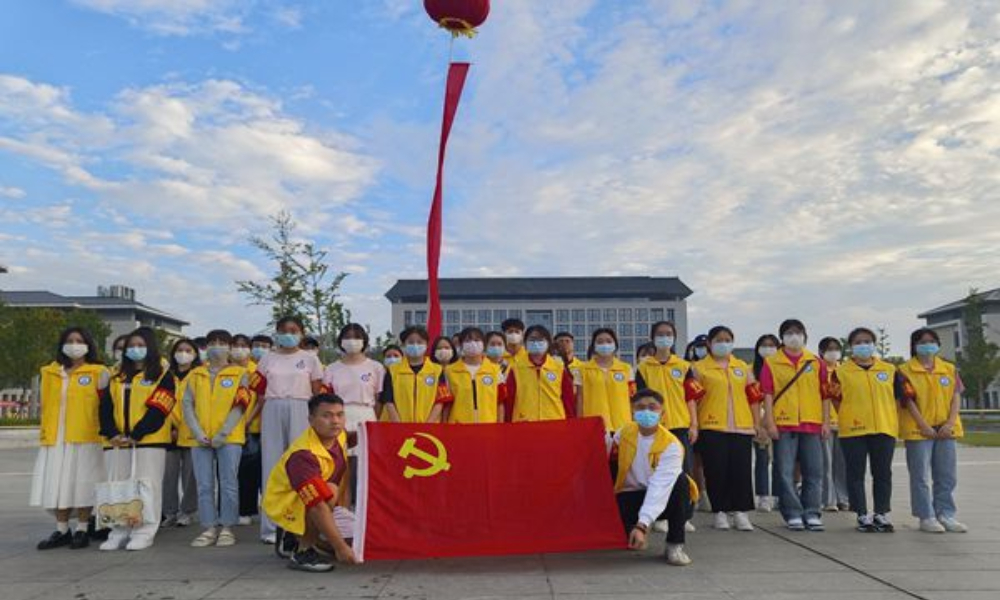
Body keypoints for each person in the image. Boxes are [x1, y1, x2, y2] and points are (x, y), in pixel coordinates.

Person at [31, 327, 110, 550]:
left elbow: (106, 406)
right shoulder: (50, 372)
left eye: (79, 340)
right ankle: (62, 530)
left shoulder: (99, 372)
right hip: (56, 437)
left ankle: (83, 529)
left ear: (88, 345)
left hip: (86, 437)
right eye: (70, 340)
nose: (74, 345)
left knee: (83, 482)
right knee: (58, 483)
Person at [98, 326, 176, 551]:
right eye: (131, 346)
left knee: (147, 486)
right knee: (118, 486)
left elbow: (160, 408)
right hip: (116, 443)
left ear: (150, 347)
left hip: (149, 441)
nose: (135, 349)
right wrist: (112, 433)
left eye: (140, 345)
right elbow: (105, 406)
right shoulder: (115, 374)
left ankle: (144, 531)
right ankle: (118, 530)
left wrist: (136, 434)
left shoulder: (162, 374)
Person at [262, 394, 357, 572]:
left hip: (321, 501)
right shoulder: (303, 455)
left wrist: (369, 433)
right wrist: (340, 548)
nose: (335, 421)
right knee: (328, 491)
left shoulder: (338, 435)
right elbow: (316, 504)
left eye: (340, 414)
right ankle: (301, 550)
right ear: (311, 420)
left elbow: (348, 439)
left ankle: (309, 540)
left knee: (360, 539)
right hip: (290, 505)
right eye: (327, 415)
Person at [257, 316, 324, 544]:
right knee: (271, 464)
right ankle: (270, 526)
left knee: (299, 463)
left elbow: (317, 391)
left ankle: (299, 523)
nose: (289, 334)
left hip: (300, 406)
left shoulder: (310, 359)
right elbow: (259, 390)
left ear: (302, 333)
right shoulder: (267, 358)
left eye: (294, 330)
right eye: (284, 330)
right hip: (273, 406)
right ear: (276, 333)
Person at [181, 329, 250, 548]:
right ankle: (208, 527)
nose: (217, 346)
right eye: (212, 343)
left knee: (229, 483)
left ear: (230, 347)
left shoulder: (240, 374)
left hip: (229, 438)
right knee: (204, 484)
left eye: (222, 342)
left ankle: (227, 527)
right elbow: (187, 405)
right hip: (199, 438)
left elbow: (240, 405)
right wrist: (197, 432)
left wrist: (222, 433)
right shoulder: (196, 374)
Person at [831, 327, 903, 533]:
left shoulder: (889, 370)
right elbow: (836, 399)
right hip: (853, 430)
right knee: (855, 473)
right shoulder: (840, 372)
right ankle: (862, 514)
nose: (863, 345)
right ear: (851, 347)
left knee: (883, 473)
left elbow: (898, 398)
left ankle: (881, 513)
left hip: (884, 428)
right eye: (858, 342)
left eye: (867, 341)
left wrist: (891, 418)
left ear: (874, 344)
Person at [761, 320, 830, 531]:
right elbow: (768, 394)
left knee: (814, 471)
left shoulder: (816, 362)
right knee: (785, 471)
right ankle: (792, 513)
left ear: (805, 336)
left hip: (812, 422)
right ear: (782, 337)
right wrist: (770, 422)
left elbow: (825, 394)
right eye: (789, 333)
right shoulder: (772, 362)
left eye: (798, 332)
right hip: (784, 423)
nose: (794, 337)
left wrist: (826, 422)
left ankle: (812, 511)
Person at [691, 325, 762, 531]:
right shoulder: (698, 368)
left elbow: (754, 397)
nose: (723, 344)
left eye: (727, 340)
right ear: (709, 343)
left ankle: (741, 513)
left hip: (742, 426)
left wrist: (757, 423)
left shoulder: (742, 367)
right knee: (716, 470)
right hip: (712, 425)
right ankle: (720, 512)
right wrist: (694, 423)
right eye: (719, 340)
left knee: (741, 471)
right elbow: (692, 399)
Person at [611, 389, 693, 566]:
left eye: (652, 407)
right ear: (632, 411)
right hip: (631, 495)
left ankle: (674, 545)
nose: (646, 412)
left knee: (681, 482)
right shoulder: (624, 433)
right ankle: (633, 531)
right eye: (640, 407)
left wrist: (642, 525)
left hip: (664, 498)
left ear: (662, 413)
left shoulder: (671, 445)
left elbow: (659, 487)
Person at [898, 328, 967, 533]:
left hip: (946, 429)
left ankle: (946, 514)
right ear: (914, 345)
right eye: (922, 342)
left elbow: (956, 396)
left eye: (931, 341)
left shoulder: (949, 369)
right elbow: (907, 401)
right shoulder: (904, 370)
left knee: (946, 475)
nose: (927, 345)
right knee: (920, 476)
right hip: (919, 431)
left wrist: (950, 423)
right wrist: (924, 426)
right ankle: (926, 516)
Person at [634, 321, 700, 532]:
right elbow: (640, 399)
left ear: (674, 337)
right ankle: (660, 516)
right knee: (656, 474)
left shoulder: (684, 366)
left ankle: (684, 516)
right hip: (654, 427)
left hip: (680, 425)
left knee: (684, 472)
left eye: (668, 334)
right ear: (653, 338)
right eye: (660, 334)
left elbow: (690, 398)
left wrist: (694, 424)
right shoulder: (643, 367)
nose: (665, 337)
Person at [322, 323, 395, 502]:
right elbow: (326, 398)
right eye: (347, 337)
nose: (352, 341)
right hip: (339, 416)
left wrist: (373, 420)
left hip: (366, 414)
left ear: (364, 341)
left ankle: (363, 509)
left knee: (365, 466)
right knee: (341, 466)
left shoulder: (376, 367)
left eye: (356, 337)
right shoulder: (332, 369)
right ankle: (342, 508)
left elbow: (379, 400)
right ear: (341, 341)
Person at [162, 339, 200, 528]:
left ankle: (187, 511)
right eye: (179, 350)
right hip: (168, 432)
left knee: (190, 476)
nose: (183, 353)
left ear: (195, 354)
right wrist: (171, 428)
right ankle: (169, 512)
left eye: (188, 350)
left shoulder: (199, 375)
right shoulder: (165, 375)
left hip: (192, 432)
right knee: (168, 476)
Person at [381, 326, 452, 423]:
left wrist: (429, 423)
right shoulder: (393, 370)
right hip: (399, 425)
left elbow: (441, 400)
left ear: (426, 345)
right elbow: (388, 400)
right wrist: (398, 424)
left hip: (430, 426)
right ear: (403, 345)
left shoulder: (437, 370)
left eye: (419, 342)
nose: (415, 345)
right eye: (411, 342)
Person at [505, 325, 575, 422]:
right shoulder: (516, 369)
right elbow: (509, 401)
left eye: (540, 340)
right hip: (524, 423)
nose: (536, 343)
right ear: (525, 343)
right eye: (532, 339)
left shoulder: (558, 368)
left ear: (548, 343)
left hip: (555, 423)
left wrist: (571, 423)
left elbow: (568, 400)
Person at [576, 328, 635, 432]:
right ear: (594, 346)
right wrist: (580, 423)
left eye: (609, 341)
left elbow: (632, 396)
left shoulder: (626, 368)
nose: (605, 344)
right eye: (600, 341)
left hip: (623, 424)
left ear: (615, 345)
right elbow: (579, 398)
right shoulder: (583, 369)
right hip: (595, 424)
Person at [445, 327, 506, 424]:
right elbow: (446, 404)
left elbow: (500, 402)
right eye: (467, 341)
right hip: (458, 426)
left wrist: (500, 424)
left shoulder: (495, 370)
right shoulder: (450, 371)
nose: (473, 344)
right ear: (461, 345)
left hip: (488, 425)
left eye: (477, 340)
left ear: (484, 344)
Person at [232, 334, 261, 525]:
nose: (239, 349)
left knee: (248, 471)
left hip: (251, 426)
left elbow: (261, 398)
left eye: (244, 346)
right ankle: (228, 509)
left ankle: (247, 510)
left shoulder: (255, 371)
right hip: (227, 428)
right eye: (236, 345)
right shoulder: (225, 370)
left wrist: (249, 420)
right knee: (228, 472)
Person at [818, 337, 849, 512]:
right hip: (825, 423)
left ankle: (843, 498)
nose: (833, 352)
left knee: (842, 464)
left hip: (845, 422)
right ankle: (828, 500)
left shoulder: (845, 370)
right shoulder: (818, 370)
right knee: (826, 463)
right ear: (821, 351)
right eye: (829, 349)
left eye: (836, 349)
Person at [751, 334, 779, 512]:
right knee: (762, 459)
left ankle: (778, 495)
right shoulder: (750, 370)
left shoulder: (781, 368)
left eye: (771, 345)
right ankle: (763, 496)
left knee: (780, 460)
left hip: (780, 419)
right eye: (764, 345)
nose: (768, 349)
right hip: (759, 420)